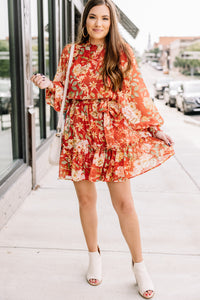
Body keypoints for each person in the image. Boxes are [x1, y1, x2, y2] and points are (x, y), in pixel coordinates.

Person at [31, 0, 175, 298]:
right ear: (84, 21)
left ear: (112, 23)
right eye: (93, 18)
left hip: (114, 134)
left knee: (124, 204)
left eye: (104, 19)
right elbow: (62, 98)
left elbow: (136, 93)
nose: (98, 24)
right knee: (86, 201)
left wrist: (154, 126)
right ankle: (94, 257)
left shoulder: (121, 53)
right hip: (79, 134)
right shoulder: (70, 52)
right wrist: (47, 85)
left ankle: (139, 266)